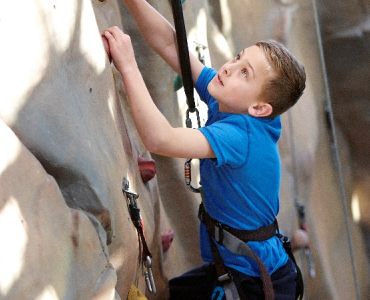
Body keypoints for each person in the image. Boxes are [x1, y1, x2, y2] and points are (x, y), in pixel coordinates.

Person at [103, 0, 306, 299]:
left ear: (260, 108)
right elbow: (173, 45)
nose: (229, 67)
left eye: (245, 73)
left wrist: (128, 65)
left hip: (250, 285)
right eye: (238, 58)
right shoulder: (232, 101)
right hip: (237, 265)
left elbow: (160, 139)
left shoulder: (241, 136)